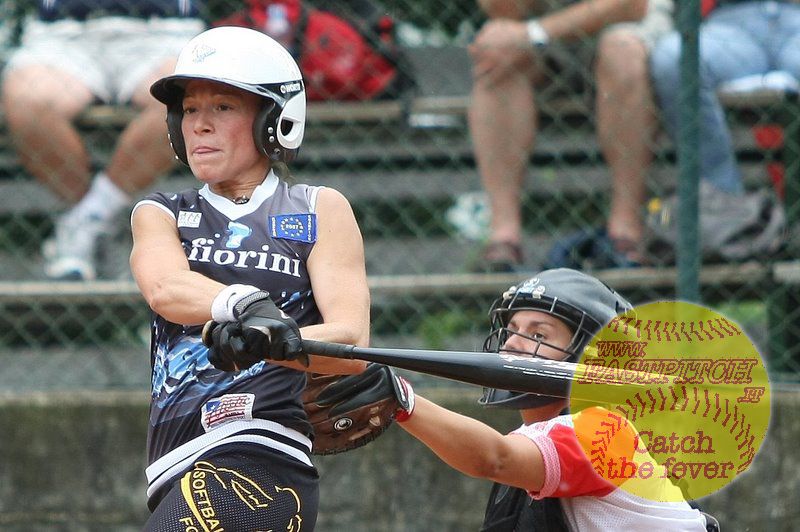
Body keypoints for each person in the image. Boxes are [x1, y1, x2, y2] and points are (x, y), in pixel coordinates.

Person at [129, 26, 370, 530]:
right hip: (177, 462)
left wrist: (270, 342)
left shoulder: (317, 208)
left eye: (223, 107)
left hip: (262, 455)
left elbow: (350, 344)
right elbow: (165, 288)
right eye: (189, 110)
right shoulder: (162, 211)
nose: (200, 125)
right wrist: (244, 306)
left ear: (273, 119)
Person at [383, 268, 711, 529]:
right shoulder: (532, 450)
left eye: (538, 334)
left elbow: (493, 458)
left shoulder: (606, 433)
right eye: (512, 330)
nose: (511, 344)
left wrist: (400, 399)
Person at [1, 1, 206, 281]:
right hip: (63, 34)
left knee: (187, 96)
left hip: (164, 33)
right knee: (27, 101)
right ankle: (98, 223)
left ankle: (85, 224)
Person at [467, 0, 674, 271]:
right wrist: (523, 33)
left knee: (621, 50)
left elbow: (631, 5)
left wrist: (533, 33)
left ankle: (625, 234)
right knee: (498, 53)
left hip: (627, 31)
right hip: (547, 37)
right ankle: (504, 239)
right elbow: (500, 9)